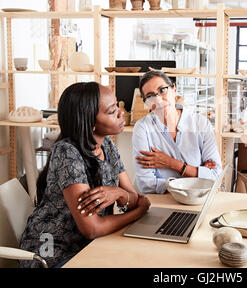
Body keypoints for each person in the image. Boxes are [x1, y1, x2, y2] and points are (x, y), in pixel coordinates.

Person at [19, 82, 151, 268]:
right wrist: (139, 212)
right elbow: (92, 228)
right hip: (52, 254)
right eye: (112, 111)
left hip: (88, 247)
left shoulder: (107, 146)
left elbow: (132, 198)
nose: (122, 113)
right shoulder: (67, 153)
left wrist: (120, 194)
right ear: (90, 123)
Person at [132, 71, 222, 194]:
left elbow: (216, 177)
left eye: (162, 90)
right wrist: (197, 174)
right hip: (163, 203)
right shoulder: (142, 128)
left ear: (174, 89)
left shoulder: (200, 123)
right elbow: (147, 185)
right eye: (150, 96)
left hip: (200, 200)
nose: (158, 100)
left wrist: (172, 164)